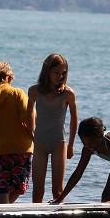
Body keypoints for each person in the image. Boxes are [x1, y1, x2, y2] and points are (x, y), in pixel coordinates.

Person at [0, 61, 34, 203]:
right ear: (9, 77)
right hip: (22, 147)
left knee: (3, 187)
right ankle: (4, 212)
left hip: (2, 148)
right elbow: (28, 118)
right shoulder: (17, 93)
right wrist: (35, 137)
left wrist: (0, 140)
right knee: (19, 187)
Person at [27, 53, 78, 203]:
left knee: (58, 190)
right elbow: (29, 110)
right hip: (40, 142)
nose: (60, 76)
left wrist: (71, 144)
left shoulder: (68, 93)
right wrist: (31, 131)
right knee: (37, 190)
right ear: (47, 71)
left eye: (63, 73)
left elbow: (74, 117)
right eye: (56, 72)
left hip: (59, 142)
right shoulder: (34, 91)